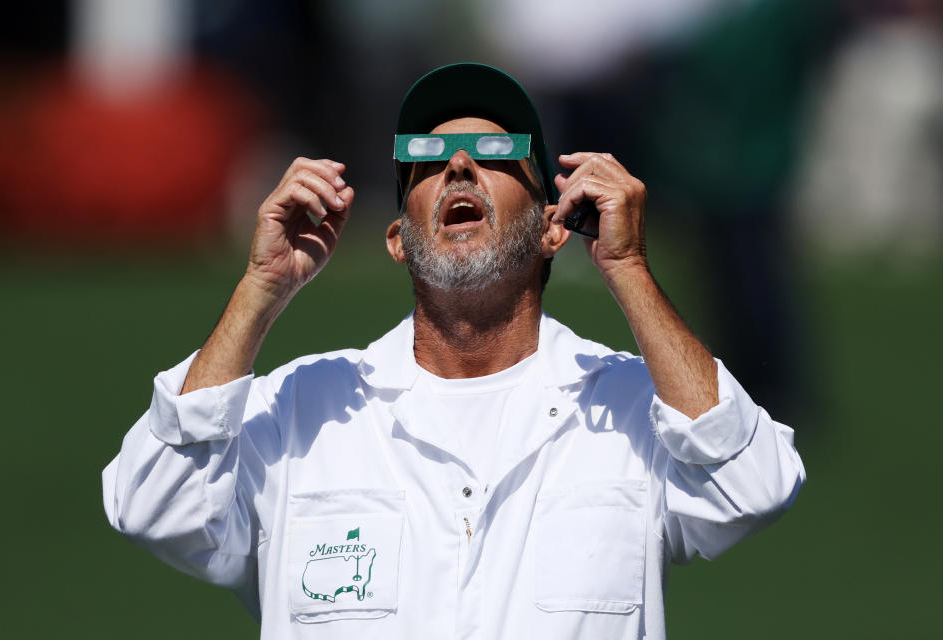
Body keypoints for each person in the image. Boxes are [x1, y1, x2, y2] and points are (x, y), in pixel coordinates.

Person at [102, 63, 805, 640]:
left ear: (555, 229)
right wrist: (260, 287)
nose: (460, 165)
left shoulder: (633, 407)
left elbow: (755, 485)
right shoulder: (299, 410)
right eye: (427, 160)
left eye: (498, 155)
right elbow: (153, 507)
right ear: (398, 238)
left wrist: (628, 270)